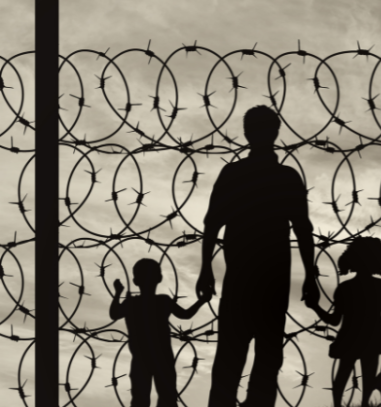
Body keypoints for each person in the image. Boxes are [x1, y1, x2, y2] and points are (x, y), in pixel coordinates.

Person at [197, 105, 319, 407]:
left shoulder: (234, 173)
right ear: (275, 132)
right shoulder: (286, 177)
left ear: (247, 133)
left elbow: (212, 223)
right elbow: (303, 229)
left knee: (230, 360)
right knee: (266, 363)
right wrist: (309, 276)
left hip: (242, 280)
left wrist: (206, 269)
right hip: (270, 283)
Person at [306, 237, 381, 407]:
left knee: (343, 375)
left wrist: (315, 307)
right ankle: (364, 404)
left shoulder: (346, 287)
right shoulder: (379, 286)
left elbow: (334, 320)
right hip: (371, 337)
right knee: (368, 377)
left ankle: (337, 405)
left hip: (351, 338)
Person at [109, 258, 208, 407]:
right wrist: (202, 300)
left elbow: (114, 313)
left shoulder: (132, 303)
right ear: (160, 278)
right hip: (163, 358)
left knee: (140, 401)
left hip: (141, 359)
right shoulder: (163, 301)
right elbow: (186, 314)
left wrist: (117, 293)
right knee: (167, 399)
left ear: (135, 281)